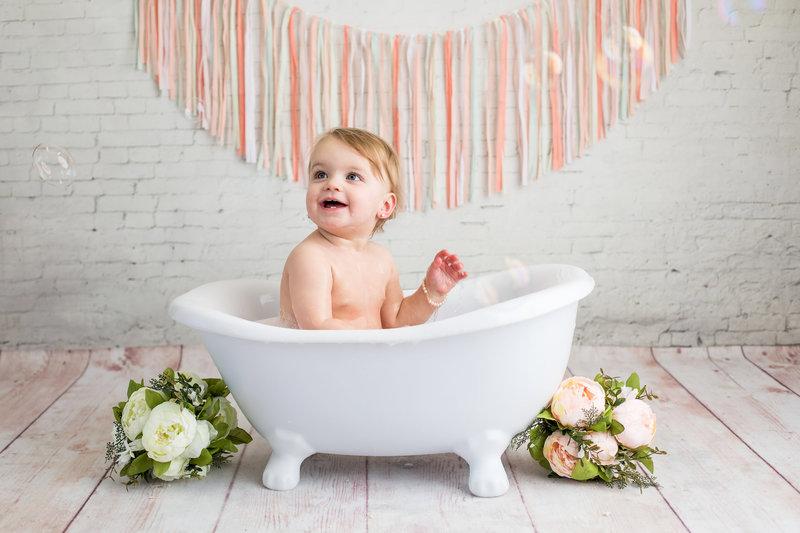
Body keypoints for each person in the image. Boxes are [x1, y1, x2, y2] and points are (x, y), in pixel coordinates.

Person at [279, 127, 467, 329]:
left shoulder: (382, 259)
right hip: (324, 358)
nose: (332, 183)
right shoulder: (311, 257)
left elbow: (395, 322)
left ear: (385, 206)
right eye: (321, 174)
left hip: (366, 356)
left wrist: (431, 292)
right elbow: (317, 328)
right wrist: (376, 344)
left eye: (352, 176)